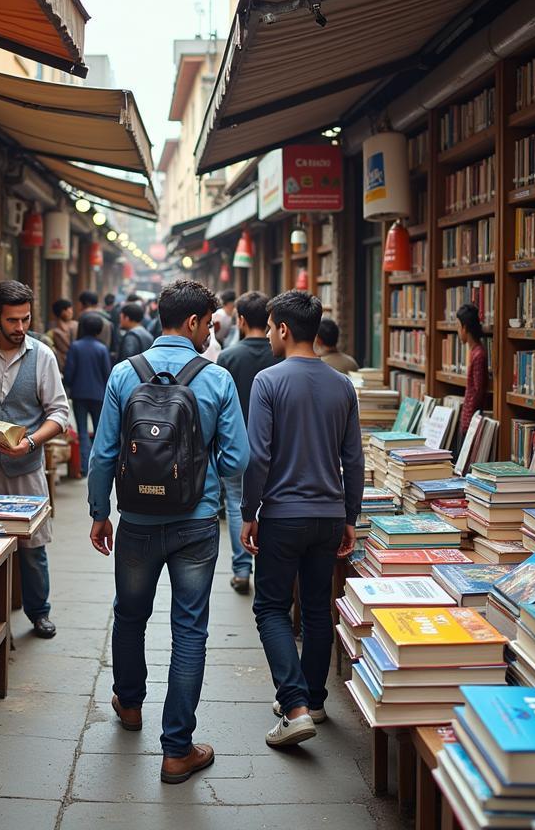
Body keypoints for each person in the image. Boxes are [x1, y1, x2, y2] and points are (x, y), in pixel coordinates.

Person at [88, 279, 249, 784]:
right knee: (189, 632)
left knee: (130, 615)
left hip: (135, 522)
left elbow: (103, 454)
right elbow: (237, 459)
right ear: (196, 321)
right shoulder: (217, 379)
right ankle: (178, 749)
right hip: (196, 527)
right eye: (211, 321)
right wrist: (204, 479)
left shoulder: (122, 374)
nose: (213, 329)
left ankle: (130, 704)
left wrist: (99, 511)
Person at [242, 290, 363, 748]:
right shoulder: (342, 385)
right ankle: (313, 699)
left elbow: (259, 458)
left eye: (272, 327)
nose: (270, 334)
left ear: (284, 329)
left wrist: (249, 512)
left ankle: (293, 707)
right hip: (329, 515)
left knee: (271, 608)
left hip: (282, 516)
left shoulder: (268, 382)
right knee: (316, 610)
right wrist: (349, 514)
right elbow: (354, 460)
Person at [0, 281, 70, 639]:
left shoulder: (42, 355)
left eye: (25, 319)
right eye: (12, 321)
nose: (20, 328)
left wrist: (31, 442)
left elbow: (59, 413)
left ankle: (39, 612)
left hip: (25, 467)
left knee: (33, 545)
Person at [216, 291, 279, 594]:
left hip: (236, 446)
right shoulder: (278, 354)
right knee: (271, 505)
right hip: (276, 447)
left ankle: (241, 569)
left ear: (240, 320)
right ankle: (266, 565)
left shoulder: (228, 357)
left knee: (236, 504)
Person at [64, 312, 113, 477]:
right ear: (99, 331)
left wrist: (71, 386)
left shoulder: (75, 346)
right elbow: (107, 373)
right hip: (99, 395)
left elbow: (69, 373)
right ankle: (98, 467)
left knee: (83, 432)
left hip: (79, 394)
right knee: (100, 432)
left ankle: (84, 467)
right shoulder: (102, 348)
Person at [457, 302, 488, 437]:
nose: (458, 332)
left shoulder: (478, 354)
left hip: (472, 424)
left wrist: (468, 421)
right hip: (468, 420)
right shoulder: (473, 352)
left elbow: (477, 392)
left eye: (458, 327)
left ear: (465, 328)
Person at [48, 298, 78, 373]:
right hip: (61, 365)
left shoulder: (75, 325)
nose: (71, 312)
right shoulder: (53, 329)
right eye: (69, 309)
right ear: (63, 311)